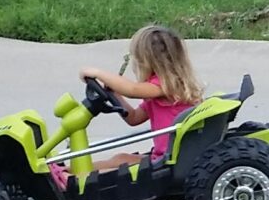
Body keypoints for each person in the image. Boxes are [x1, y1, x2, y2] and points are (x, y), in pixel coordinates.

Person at [58, 24, 206, 184]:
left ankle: (76, 180)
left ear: (147, 61)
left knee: (123, 170)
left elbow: (132, 89)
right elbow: (134, 118)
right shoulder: (159, 91)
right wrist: (115, 95)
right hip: (164, 155)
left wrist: (98, 73)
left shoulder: (168, 86)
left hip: (171, 160)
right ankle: (73, 171)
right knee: (121, 158)